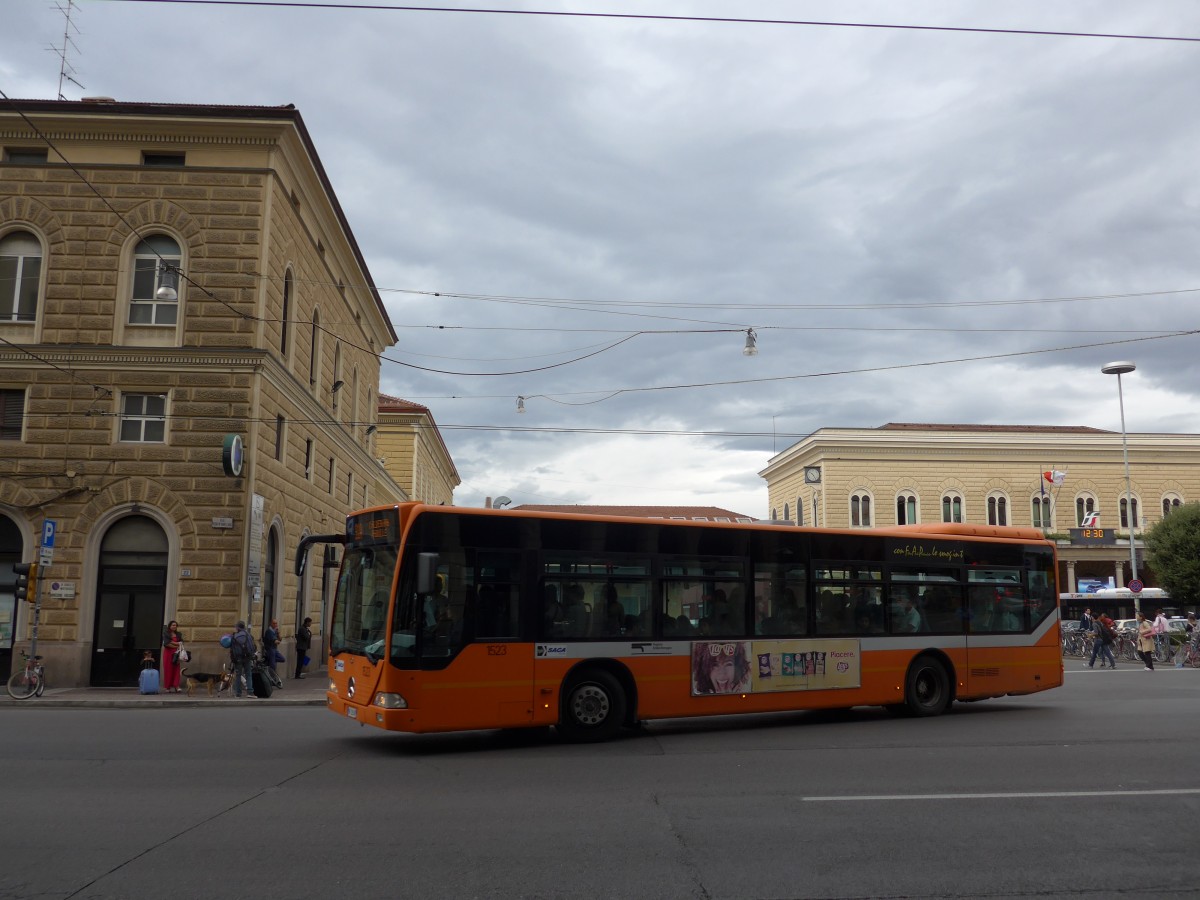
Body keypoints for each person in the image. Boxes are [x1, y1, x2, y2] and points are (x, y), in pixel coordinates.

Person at [229, 620, 258, 698]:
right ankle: (250, 692)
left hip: (238, 659)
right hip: (247, 657)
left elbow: (232, 649)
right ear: (244, 627)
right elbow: (253, 646)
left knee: (238, 675)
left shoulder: (234, 636)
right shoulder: (248, 635)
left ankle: (238, 693)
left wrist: (233, 658)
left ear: (238, 627)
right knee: (248, 674)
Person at [161, 619, 182, 694]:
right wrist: (176, 644)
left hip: (177, 653)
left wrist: (173, 643)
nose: (174, 626)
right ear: (170, 626)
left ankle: (177, 686)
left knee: (176, 670)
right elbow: (167, 644)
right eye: (173, 625)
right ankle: (168, 687)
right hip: (168, 654)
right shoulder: (166, 633)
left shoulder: (179, 634)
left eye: (175, 625)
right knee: (168, 670)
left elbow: (181, 643)